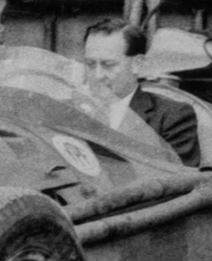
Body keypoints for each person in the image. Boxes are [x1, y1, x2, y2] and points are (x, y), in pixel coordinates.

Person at [83, 18, 200, 167]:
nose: (97, 75)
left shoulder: (172, 116)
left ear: (137, 64)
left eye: (108, 65)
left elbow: (179, 178)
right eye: (90, 64)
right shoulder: (71, 110)